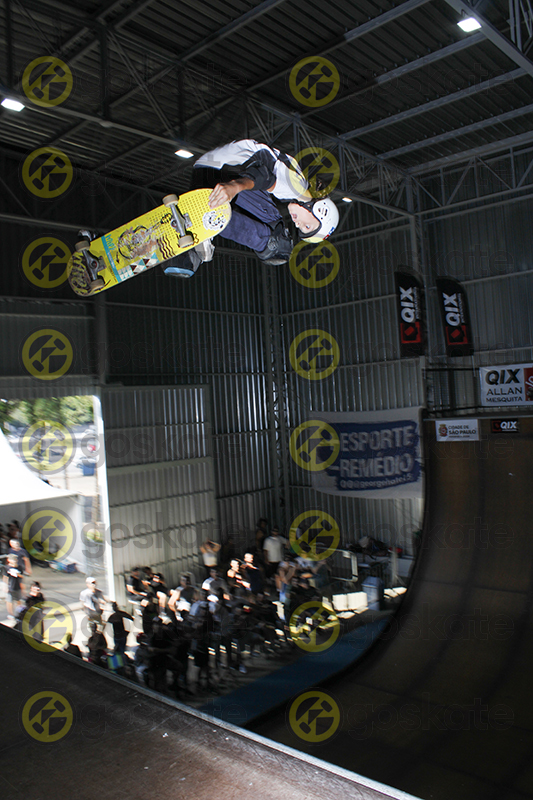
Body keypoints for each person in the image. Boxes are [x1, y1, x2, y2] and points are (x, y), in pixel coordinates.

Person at [162, 139, 339, 277]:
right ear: (320, 210)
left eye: (301, 229)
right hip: (222, 172)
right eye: (307, 225)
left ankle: (187, 249)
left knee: (275, 228)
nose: (298, 224)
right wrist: (235, 186)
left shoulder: (297, 184)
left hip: (212, 170)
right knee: (279, 246)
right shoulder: (299, 191)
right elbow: (263, 176)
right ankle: (205, 221)